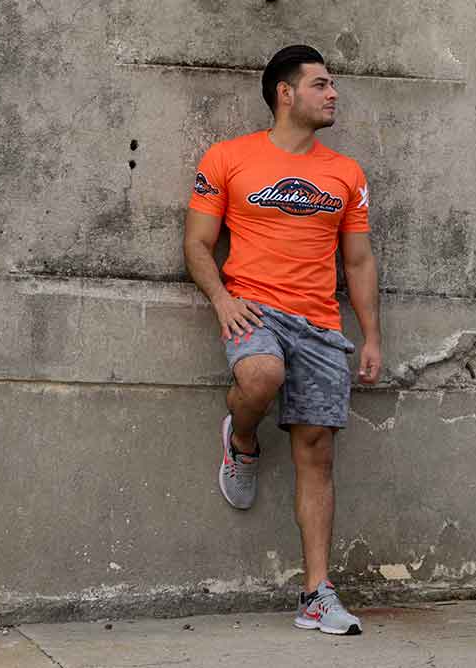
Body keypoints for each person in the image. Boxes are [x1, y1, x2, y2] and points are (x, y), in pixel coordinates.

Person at [183, 44, 381, 636]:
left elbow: (359, 260)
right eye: (321, 84)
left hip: (320, 323)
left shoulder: (346, 173)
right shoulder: (227, 157)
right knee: (261, 374)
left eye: (333, 84)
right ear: (285, 94)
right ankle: (242, 438)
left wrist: (371, 335)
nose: (333, 93)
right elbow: (197, 244)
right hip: (255, 309)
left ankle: (316, 595)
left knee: (316, 454)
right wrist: (222, 299)